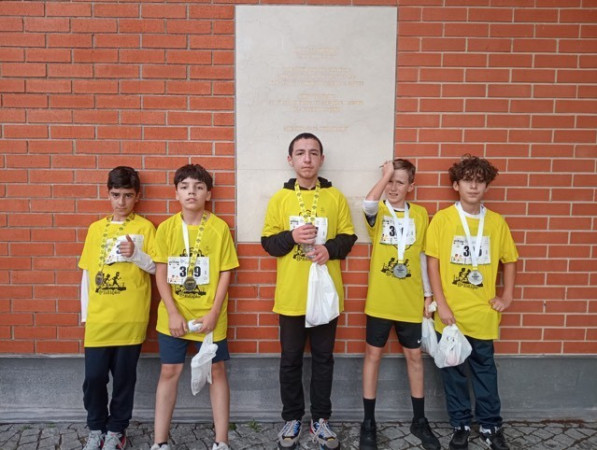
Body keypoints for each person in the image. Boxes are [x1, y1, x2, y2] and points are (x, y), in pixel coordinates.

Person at [261, 132, 357, 450]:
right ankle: (292, 418)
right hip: (291, 295)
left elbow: (348, 237)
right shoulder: (280, 198)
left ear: (321, 159)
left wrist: (330, 249)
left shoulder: (335, 197)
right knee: (290, 359)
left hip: (325, 294)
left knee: (323, 359)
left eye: (313, 153)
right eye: (300, 153)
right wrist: (291, 236)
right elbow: (268, 243)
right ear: (290, 160)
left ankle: (320, 420)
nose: (307, 158)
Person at [425, 155, 518, 450]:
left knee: (485, 371)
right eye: (468, 181)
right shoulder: (443, 220)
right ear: (456, 185)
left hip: (482, 314)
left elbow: (510, 260)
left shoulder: (496, 222)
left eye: (480, 181)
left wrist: (507, 295)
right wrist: (441, 304)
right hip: (450, 315)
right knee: (453, 374)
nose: (474, 186)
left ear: (487, 186)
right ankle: (460, 425)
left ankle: (491, 426)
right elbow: (432, 264)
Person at [151, 164, 239, 450]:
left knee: (216, 371)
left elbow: (226, 272)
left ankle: (221, 441)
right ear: (176, 193)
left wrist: (214, 313)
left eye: (199, 187)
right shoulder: (166, 228)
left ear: (208, 194)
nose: (192, 192)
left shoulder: (219, 228)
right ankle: (160, 442)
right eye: (185, 187)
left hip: (209, 315)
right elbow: (160, 272)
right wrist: (172, 312)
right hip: (173, 315)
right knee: (169, 371)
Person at [358, 160, 440, 450]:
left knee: (415, 357)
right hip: (380, 299)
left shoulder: (420, 214)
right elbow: (368, 203)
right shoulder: (379, 210)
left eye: (400, 182)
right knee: (373, 355)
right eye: (390, 182)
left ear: (411, 187)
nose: (393, 188)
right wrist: (386, 174)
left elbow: (422, 256)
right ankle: (368, 422)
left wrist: (428, 294)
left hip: (410, 299)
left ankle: (419, 420)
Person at [79, 166, 156, 450]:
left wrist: (136, 255)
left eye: (127, 195)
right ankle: (96, 427)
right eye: (115, 195)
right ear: (108, 194)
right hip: (99, 318)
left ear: (137, 196)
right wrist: (86, 313)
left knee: (124, 379)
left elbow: (156, 267)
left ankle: (116, 430)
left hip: (130, 316)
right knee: (94, 377)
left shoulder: (145, 227)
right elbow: (87, 273)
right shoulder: (95, 229)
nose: (121, 201)